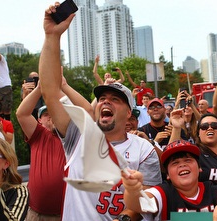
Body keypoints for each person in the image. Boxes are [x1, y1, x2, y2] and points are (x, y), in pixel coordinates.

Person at [39, 4, 161, 220]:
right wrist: (52, 36)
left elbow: (150, 204)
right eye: (102, 98)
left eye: (115, 100)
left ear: (129, 115)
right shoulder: (78, 134)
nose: (106, 102)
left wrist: (126, 214)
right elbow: (49, 91)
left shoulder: (144, 151)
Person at [121, 140, 217, 221]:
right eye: (175, 163)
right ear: (167, 175)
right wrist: (132, 189)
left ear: (199, 169)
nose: (182, 165)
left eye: (188, 160)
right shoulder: (163, 193)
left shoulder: (213, 190)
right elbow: (138, 204)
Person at [16, 81, 66, 220]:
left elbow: (88, 113)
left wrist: (63, 88)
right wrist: (40, 88)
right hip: (37, 214)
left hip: (69, 212)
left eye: (55, 112)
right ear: (38, 120)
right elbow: (22, 114)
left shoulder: (73, 136)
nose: (51, 116)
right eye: (46, 114)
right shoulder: (39, 135)